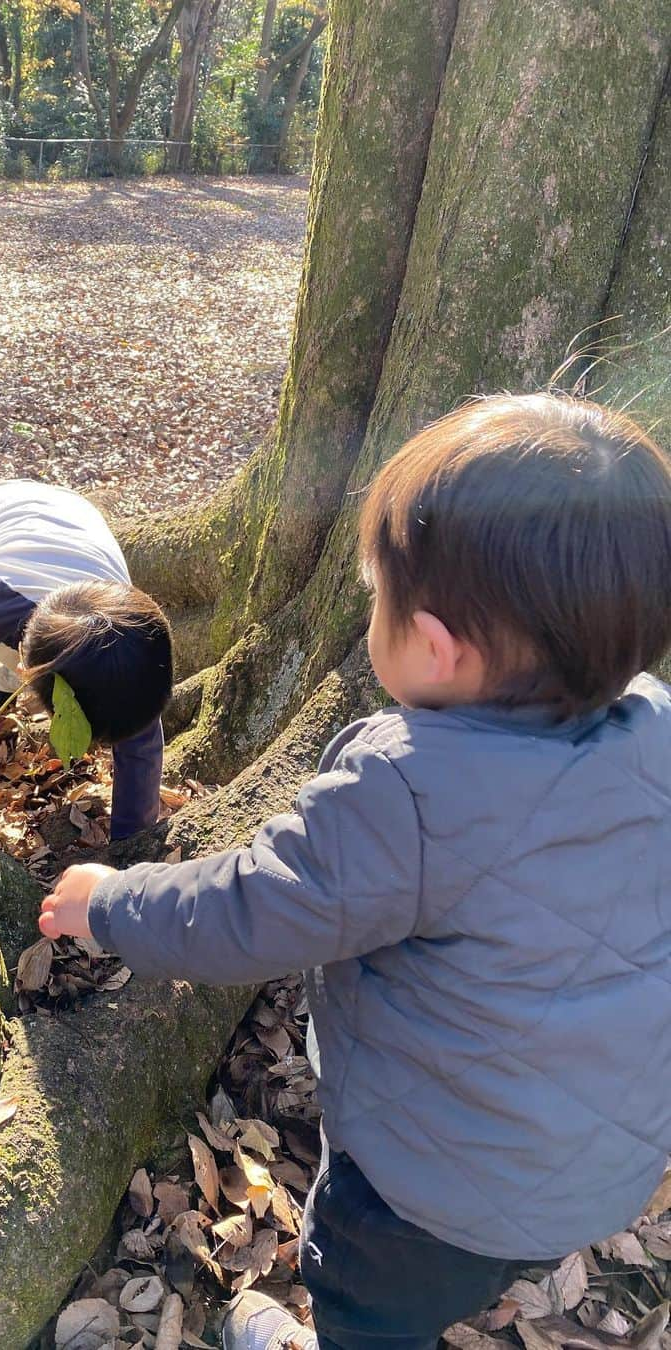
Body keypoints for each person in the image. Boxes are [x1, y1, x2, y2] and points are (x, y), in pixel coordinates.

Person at [37, 393, 671, 1350]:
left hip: (424, 1194)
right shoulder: (656, 734)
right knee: (472, 1270)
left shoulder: (407, 791)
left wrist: (111, 901)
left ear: (435, 647)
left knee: (367, 1305)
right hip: (604, 1164)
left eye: (377, 596)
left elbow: (252, 905)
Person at [0, 479, 173, 841]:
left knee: (37, 652)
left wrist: (128, 852)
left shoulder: (131, 662)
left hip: (74, 520)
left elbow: (141, 755)